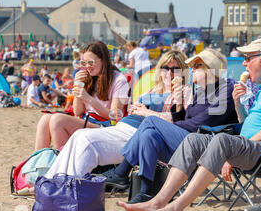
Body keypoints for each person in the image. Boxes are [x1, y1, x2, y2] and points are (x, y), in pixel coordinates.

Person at [118, 38, 261, 211]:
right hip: (256, 148)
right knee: (193, 140)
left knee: (222, 140)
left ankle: (176, 207)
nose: (244, 63)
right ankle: (158, 201)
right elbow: (249, 124)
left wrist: (235, 150)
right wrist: (238, 104)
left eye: (248, 58)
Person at [101, 48, 239, 204]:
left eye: (196, 66)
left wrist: (159, 121)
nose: (191, 70)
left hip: (206, 147)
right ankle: (146, 192)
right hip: (189, 143)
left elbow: (199, 124)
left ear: (209, 69)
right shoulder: (201, 92)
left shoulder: (226, 90)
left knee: (150, 122)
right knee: (149, 135)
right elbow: (183, 118)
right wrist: (180, 105)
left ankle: (122, 171)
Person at [44, 50, 192, 178]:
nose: (170, 73)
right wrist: (137, 109)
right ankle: (51, 181)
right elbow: (133, 109)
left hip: (142, 135)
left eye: (176, 69)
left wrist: (146, 112)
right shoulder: (154, 90)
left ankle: (70, 187)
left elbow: (179, 121)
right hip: (125, 126)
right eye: (166, 68)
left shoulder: (185, 91)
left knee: (87, 140)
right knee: (78, 136)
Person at [33, 41, 129, 151]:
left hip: (106, 127)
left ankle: (64, 164)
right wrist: (78, 85)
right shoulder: (87, 77)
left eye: (90, 63)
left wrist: (88, 98)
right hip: (88, 121)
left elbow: (115, 116)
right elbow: (78, 112)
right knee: (44, 120)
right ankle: (37, 164)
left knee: (57, 120)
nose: (87, 67)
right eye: (84, 63)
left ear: (103, 60)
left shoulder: (119, 80)